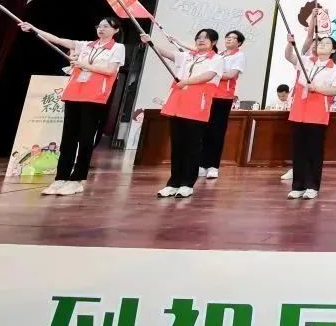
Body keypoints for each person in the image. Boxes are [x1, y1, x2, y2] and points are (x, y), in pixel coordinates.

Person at [19, 17, 126, 196]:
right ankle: (60, 178)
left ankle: (77, 180)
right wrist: (34, 28)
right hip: (74, 93)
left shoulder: (117, 48)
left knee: (85, 138)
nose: (101, 29)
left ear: (115, 30)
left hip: (94, 97)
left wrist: (84, 65)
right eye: (99, 26)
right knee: (68, 138)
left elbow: (110, 71)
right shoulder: (85, 45)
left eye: (106, 26)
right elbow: (58, 40)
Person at [142, 28, 224, 199]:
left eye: (206, 38)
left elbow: (208, 76)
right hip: (178, 103)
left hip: (197, 105)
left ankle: (187, 184)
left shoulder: (217, 59)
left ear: (214, 42)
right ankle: (173, 183)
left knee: (192, 146)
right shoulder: (187, 56)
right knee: (177, 145)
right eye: (199, 37)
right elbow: (166, 54)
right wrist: (150, 42)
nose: (201, 40)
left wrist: (186, 81)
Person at [284, 13, 336, 200]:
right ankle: (298, 186)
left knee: (314, 151)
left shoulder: (335, 69)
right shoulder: (306, 61)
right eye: (321, 42)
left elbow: (335, 90)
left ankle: (312, 186)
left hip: (317, 114)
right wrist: (290, 43)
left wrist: (316, 88)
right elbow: (289, 56)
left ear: (333, 50)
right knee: (298, 150)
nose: (322, 45)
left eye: (327, 43)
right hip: (299, 111)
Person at [200, 30, 246, 180]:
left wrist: (213, 74)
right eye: (227, 37)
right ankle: (202, 164)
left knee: (217, 132)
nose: (229, 39)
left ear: (239, 43)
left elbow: (231, 75)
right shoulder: (219, 54)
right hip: (209, 95)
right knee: (205, 130)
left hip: (224, 97)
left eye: (233, 38)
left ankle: (213, 166)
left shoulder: (239, 56)